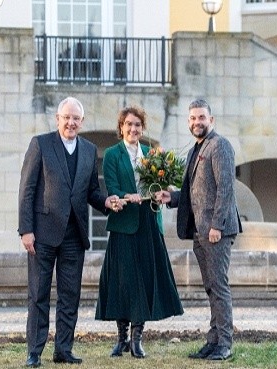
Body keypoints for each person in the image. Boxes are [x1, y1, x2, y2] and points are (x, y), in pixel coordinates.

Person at [18, 96, 123, 367]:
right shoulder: (40, 144)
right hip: (42, 234)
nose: (71, 122)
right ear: (58, 119)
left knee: (69, 296)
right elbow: (27, 190)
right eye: (67, 117)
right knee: (38, 294)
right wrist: (26, 230)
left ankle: (63, 349)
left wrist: (107, 203)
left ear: (82, 121)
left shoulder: (89, 150)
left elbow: (91, 192)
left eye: (76, 118)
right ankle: (34, 352)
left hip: (74, 235)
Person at [156, 98, 242, 361]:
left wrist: (217, 225)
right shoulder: (198, 148)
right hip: (199, 231)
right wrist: (171, 198)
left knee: (218, 286)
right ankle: (213, 341)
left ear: (211, 120)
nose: (197, 122)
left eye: (201, 118)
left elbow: (226, 189)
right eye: (193, 118)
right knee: (210, 287)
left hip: (216, 231)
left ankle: (224, 344)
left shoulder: (220, 146)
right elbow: (197, 193)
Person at [95, 106, 184, 358]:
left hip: (148, 221)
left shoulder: (150, 153)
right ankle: (121, 338)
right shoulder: (112, 154)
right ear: (121, 127)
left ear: (142, 128)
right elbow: (111, 186)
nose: (133, 129)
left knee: (143, 279)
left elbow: (160, 184)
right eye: (128, 124)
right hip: (124, 222)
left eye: (137, 125)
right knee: (123, 281)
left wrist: (161, 190)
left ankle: (137, 338)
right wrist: (126, 196)